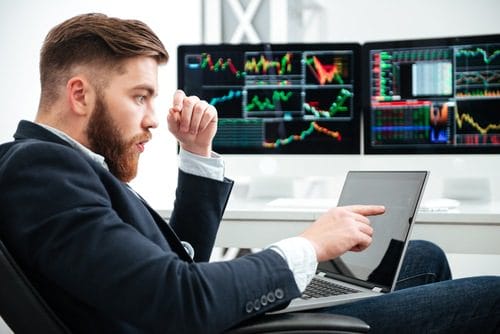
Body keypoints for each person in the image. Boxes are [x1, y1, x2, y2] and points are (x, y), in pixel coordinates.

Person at [0, 13, 498, 334]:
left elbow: (179, 263)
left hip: (201, 319)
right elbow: (181, 299)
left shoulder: (57, 166)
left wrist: (196, 155)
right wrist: (312, 244)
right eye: (140, 96)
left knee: (423, 257)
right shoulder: (40, 170)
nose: (153, 117)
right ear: (80, 94)